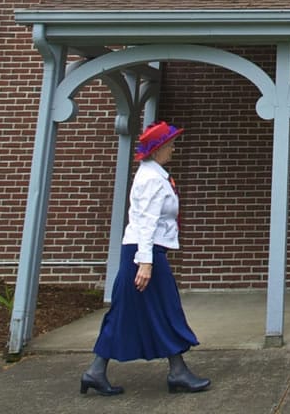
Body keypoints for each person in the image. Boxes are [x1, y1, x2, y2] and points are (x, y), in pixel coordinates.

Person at [81, 120, 210, 396]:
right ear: (158, 148)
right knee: (166, 308)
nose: (174, 149)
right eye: (171, 144)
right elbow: (147, 222)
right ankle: (177, 372)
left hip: (141, 251)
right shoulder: (152, 179)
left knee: (127, 312)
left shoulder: (153, 174)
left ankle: (95, 371)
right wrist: (146, 262)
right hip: (144, 253)